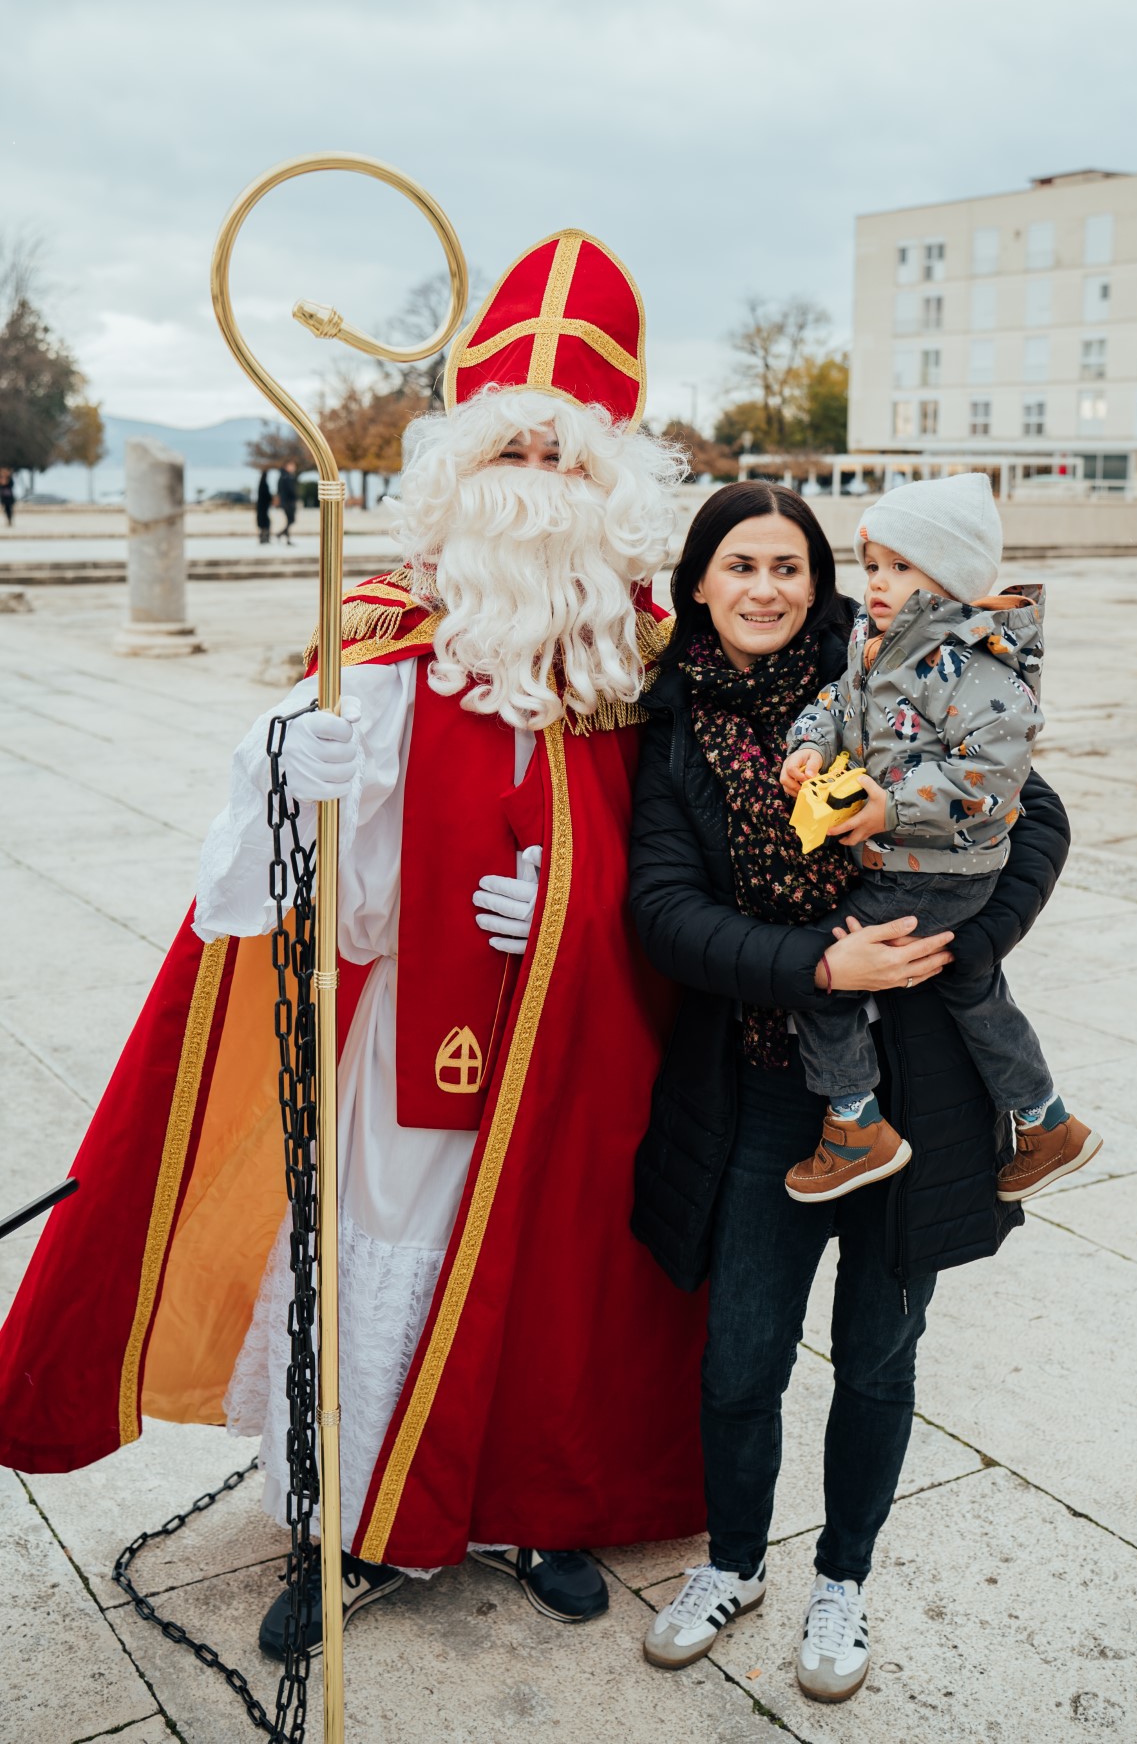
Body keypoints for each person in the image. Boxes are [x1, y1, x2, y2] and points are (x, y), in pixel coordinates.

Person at [0, 230, 708, 1655]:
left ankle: (534, 1503)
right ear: (461, 473)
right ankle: (349, 1519)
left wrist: (580, 911)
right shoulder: (389, 633)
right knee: (384, 1246)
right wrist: (295, 769)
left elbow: (699, 858)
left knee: (563, 1267)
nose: (536, 491)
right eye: (512, 456)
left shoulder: (649, 656)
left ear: (611, 486)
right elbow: (280, 885)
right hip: (413, 1034)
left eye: (564, 463)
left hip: (592, 1034)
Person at [627, 480, 1070, 1703]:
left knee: (880, 1354)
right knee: (739, 1360)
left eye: (789, 567)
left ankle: (842, 1578)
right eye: (740, 567)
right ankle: (731, 1563)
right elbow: (664, 915)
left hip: (915, 1088)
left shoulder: (899, 667)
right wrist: (819, 962)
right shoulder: (675, 733)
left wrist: (965, 947)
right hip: (770, 1089)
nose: (768, 589)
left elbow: (1033, 818)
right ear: (700, 586)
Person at [778, 473, 1099, 1205]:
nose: (880, 584)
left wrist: (889, 808)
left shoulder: (980, 670)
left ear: (950, 577)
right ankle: (1044, 1120)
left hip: (938, 866)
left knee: (823, 968)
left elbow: (991, 775)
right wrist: (807, 745)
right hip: (911, 856)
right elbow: (839, 702)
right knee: (972, 989)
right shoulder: (881, 642)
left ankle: (855, 1123)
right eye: (873, 566)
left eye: (902, 567)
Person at [276, 458, 298, 544]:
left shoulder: (287, 476)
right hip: (288, 502)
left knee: (290, 520)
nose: (294, 467)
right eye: (292, 466)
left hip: (287, 502)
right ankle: (283, 536)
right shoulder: (285, 477)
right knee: (290, 520)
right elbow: (288, 490)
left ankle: (282, 535)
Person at [255, 468, 272, 544]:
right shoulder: (264, 485)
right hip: (264, 507)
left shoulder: (260, 484)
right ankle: (264, 538)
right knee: (265, 523)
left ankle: (263, 538)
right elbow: (267, 496)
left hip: (261, 507)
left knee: (263, 524)